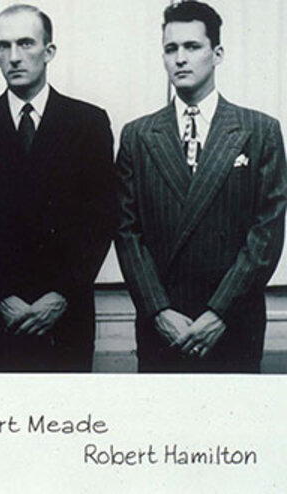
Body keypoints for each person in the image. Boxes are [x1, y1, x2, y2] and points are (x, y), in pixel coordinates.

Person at [115, 1, 287, 372]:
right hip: (162, 327)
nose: (180, 58)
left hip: (232, 325)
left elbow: (266, 235)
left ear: (217, 53)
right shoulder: (138, 135)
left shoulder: (260, 131)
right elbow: (127, 232)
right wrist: (159, 311)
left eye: (192, 47)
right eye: (170, 48)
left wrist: (219, 313)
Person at [0, 4, 116, 371]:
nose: (14, 57)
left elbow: (101, 219)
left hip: (64, 316)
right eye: (4, 47)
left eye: (26, 44)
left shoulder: (88, 123)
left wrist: (60, 295)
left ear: (49, 51)